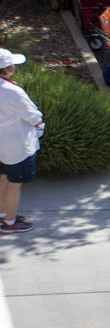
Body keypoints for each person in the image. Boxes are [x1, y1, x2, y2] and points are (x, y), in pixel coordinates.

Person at [0, 49, 41, 234]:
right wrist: (39, 123)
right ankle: (10, 222)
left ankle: (3, 213)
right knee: (14, 184)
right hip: (15, 145)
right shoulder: (11, 91)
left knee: (2, 179)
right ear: (8, 69)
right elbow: (32, 115)